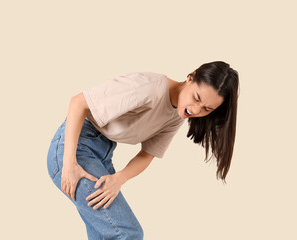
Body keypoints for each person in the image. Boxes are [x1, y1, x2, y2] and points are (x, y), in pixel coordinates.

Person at [47, 61, 239, 239]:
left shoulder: (177, 114)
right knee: (128, 233)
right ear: (191, 78)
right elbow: (78, 102)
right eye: (196, 98)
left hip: (101, 153)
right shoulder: (148, 88)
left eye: (207, 109)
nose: (196, 110)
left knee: (104, 236)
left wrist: (119, 178)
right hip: (73, 148)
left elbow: (148, 154)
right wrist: (69, 163)